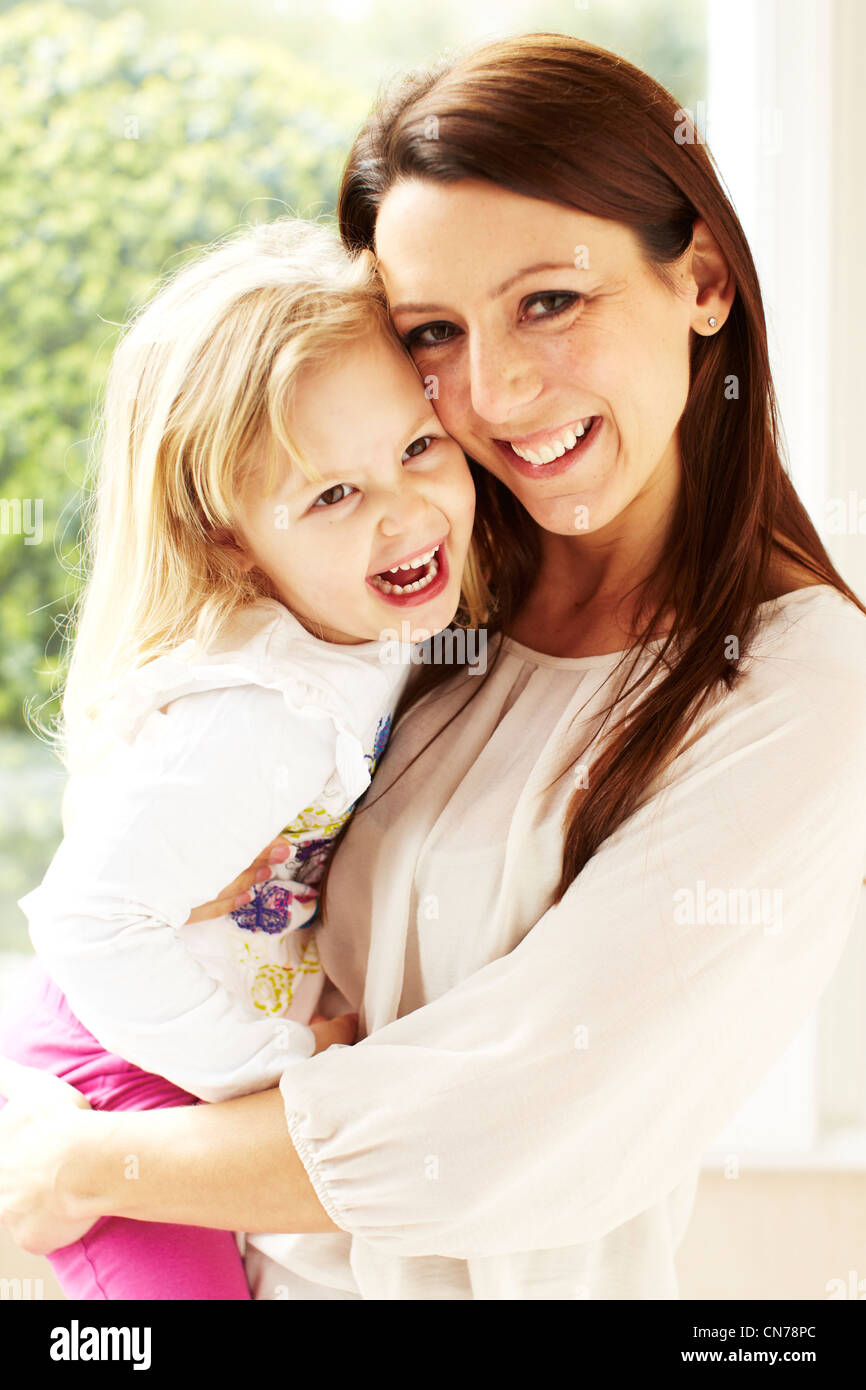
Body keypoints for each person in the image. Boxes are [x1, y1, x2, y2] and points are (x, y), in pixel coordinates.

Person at [1, 33, 865, 1301]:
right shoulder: (409, 603)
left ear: (704, 281)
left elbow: (505, 1118)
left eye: (550, 300)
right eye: (432, 332)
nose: (498, 388)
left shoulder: (797, 685)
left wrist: (91, 1163)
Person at [0, 215, 476, 1299]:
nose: (405, 514)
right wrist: (284, 1073)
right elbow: (87, 920)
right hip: (111, 1073)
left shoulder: (365, 622)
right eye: (332, 493)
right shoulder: (260, 713)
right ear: (227, 536)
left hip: (176, 1050)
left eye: (416, 447)